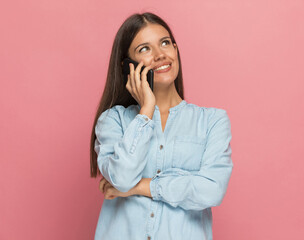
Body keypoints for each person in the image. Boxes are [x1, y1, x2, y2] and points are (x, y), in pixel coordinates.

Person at [90, 12, 233, 240]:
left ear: (175, 50)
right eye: (144, 49)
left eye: (165, 43)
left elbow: (211, 190)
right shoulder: (113, 121)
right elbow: (122, 178)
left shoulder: (212, 121)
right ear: (127, 66)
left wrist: (140, 187)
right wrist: (146, 110)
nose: (159, 55)